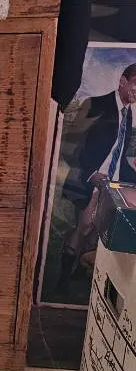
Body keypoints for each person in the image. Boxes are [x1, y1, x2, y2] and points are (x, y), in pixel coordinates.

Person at [60, 63, 136, 283]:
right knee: (83, 228)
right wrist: (91, 174)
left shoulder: (129, 115)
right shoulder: (95, 104)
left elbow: (119, 156)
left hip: (112, 186)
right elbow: (69, 145)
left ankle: (79, 278)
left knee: (98, 235)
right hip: (90, 182)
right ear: (122, 81)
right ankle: (62, 281)